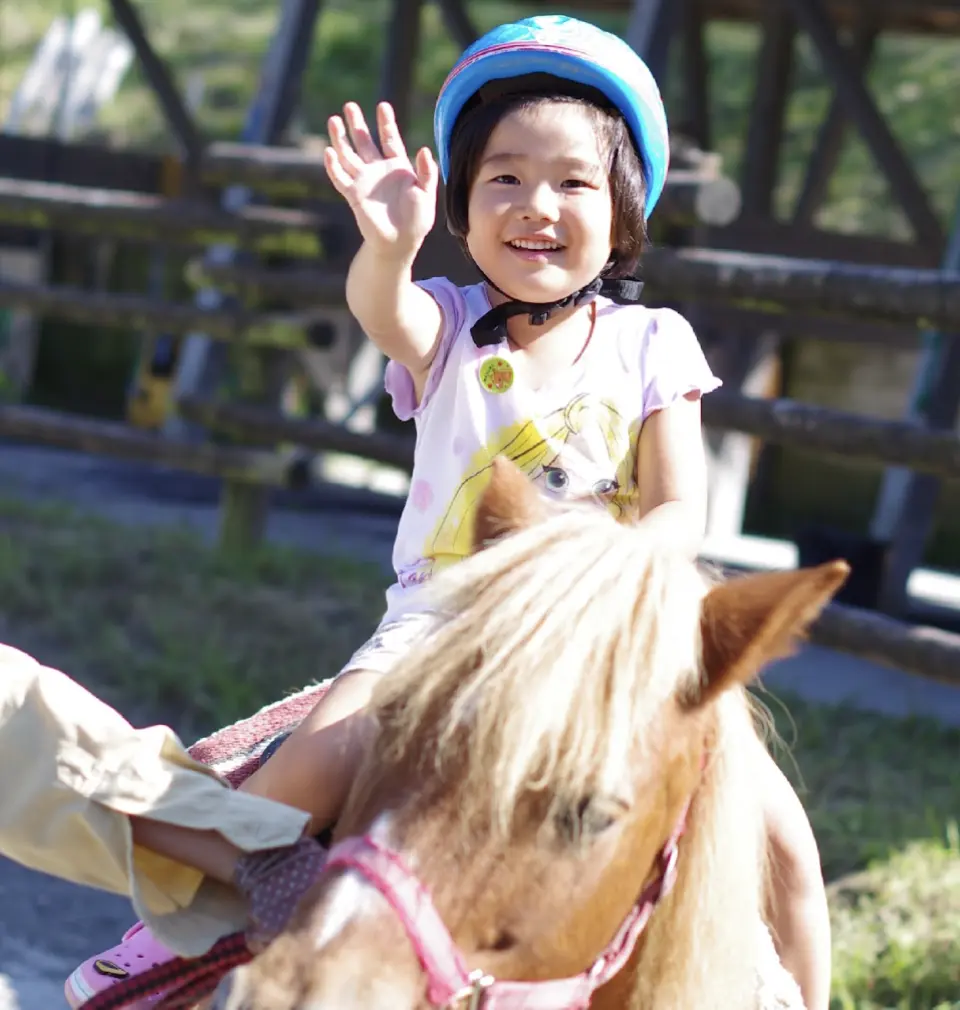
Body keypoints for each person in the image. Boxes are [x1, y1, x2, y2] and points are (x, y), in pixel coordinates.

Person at [64, 15, 831, 1010]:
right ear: (462, 209)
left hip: (621, 633)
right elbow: (387, 309)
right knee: (305, 774)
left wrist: (604, 582)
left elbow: (682, 504)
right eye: (503, 179)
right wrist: (388, 246)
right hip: (447, 625)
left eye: (572, 183)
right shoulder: (452, 324)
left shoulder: (652, 340)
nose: (535, 205)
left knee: (782, 843)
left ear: (624, 212)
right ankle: (194, 939)